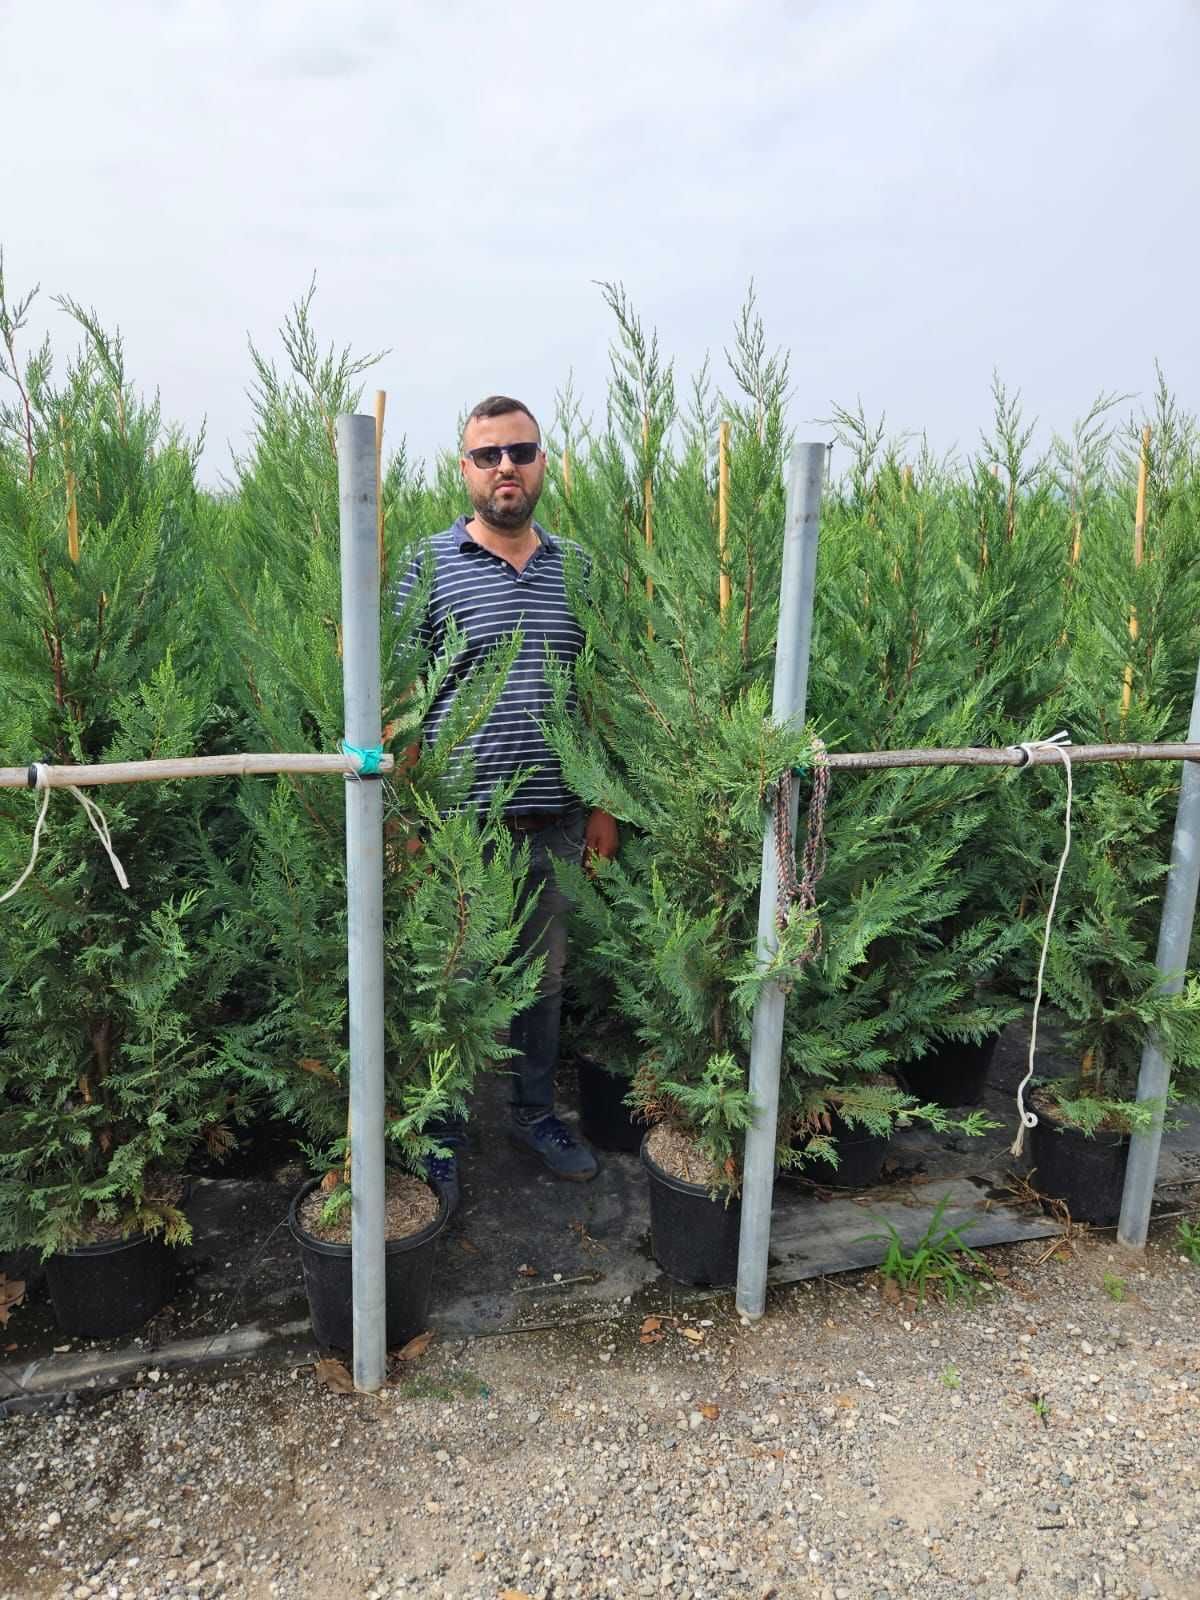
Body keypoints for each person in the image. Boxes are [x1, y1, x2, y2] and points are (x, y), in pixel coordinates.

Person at [393, 395, 619, 1206]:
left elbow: (599, 695)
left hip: (556, 820)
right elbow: (402, 698)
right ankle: (444, 1129)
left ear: (543, 462)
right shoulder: (428, 565)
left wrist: (603, 806)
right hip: (458, 823)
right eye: (487, 456)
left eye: (519, 452)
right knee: (450, 979)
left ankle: (533, 1111)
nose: (505, 469)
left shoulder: (579, 568)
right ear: (465, 470)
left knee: (544, 978)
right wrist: (409, 818)